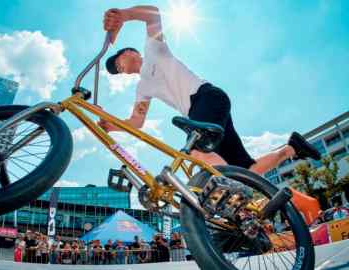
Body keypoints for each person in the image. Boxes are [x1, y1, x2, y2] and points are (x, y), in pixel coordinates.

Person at [99, 5, 321, 177]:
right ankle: (292, 147)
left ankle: (230, 191)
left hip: (207, 98)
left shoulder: (154, 48)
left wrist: (124, 16)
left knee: (197, 153)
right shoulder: (142, 88)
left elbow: (153, 14)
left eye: (118, 63)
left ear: (130, 52)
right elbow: (136, 122)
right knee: (248, 170)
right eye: (117, 71)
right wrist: (110, 126)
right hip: (202, 114)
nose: (120, 69)